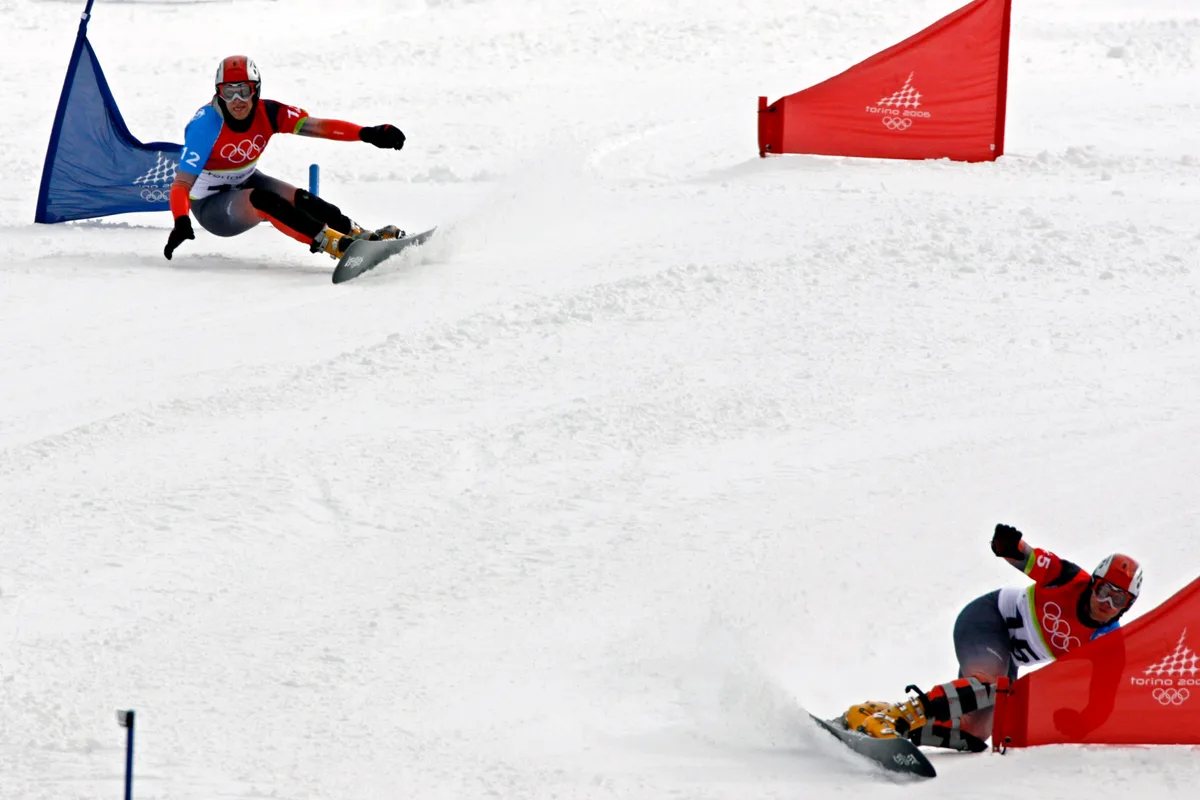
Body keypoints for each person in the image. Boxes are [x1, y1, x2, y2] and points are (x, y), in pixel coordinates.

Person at [840, 523, 1143, 752]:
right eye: (1104, 591)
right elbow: (1028, 558)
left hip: (1008, 658)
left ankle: (883, 719)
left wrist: (1079, 723)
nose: (1106, 603)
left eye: (1118, 600)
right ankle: (898, 716)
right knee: (987, 686)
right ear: (1093, 584)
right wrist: (1009, 545)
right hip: (987, 620)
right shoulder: (1069, 578)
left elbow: (1102, 702)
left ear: (1127, 607)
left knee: (973, 735)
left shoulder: (1107, 644)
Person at [163, 55, 408, 262]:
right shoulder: (205, 126)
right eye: (229, 92)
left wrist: (366, 133)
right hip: (212, 205)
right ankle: (337, 246)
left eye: (243, 91)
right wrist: (181, 220)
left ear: (256, 90)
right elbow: (181, 185)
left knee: (301, 199)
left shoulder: (269, 112)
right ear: (218, 93)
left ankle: (358, 234)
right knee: (265, 200)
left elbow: (318, 127)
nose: (237, 101)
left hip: (246, 181)